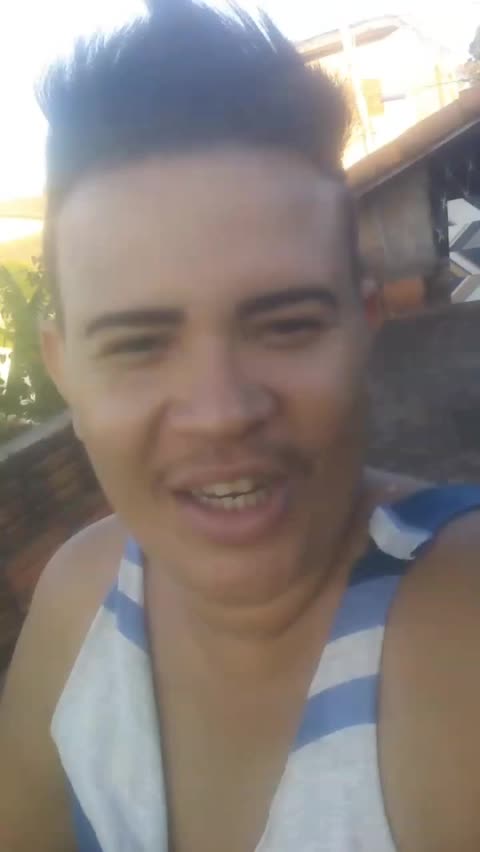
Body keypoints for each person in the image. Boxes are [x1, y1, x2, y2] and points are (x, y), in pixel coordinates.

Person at [1, 3, 480, 851]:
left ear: (364, 327)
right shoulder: (80, 602)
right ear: (64, 367)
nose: (221, 412)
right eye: (139, 344)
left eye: (287, 325)